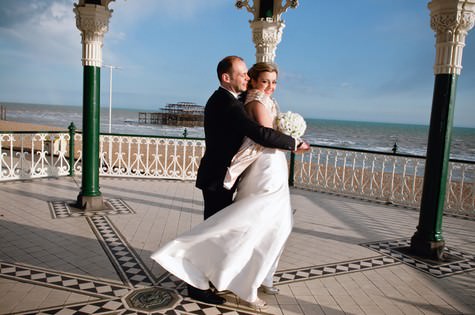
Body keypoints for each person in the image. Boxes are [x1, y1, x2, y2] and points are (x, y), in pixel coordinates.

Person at [151, 57, 310, 308]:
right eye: (243, 74)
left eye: (248, 74)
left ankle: (213, 276)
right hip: (216, 177)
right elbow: (258, 133)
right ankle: (194, 282)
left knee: (222, 230)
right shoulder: (225, 102)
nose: (246, 78)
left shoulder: (231, 100)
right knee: (214, 232)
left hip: (223, 175)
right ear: (227, 77)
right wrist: (294, 143)